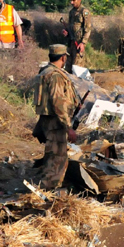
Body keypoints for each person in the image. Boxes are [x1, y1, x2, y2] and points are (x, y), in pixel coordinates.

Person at [33, 44, 80, 189]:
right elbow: (58, 102)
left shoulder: (44, 71)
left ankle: (47, 184)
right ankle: (48, 189)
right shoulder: (55, 76)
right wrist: (68, 127)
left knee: (52, 154)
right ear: (63, 57)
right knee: (57, 157)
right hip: (56, 122)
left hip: (48, 120)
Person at [63, 0, 91, 70]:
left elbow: (88, 29)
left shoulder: (84, 12)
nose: (71, 2)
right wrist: (66, 32)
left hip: (78, 44)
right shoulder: (71, 12)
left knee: (77, 68)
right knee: (68, 67)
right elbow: (70, 25)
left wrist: (83, 43)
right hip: (70, 42)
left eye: (73, 0)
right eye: (70, 1)